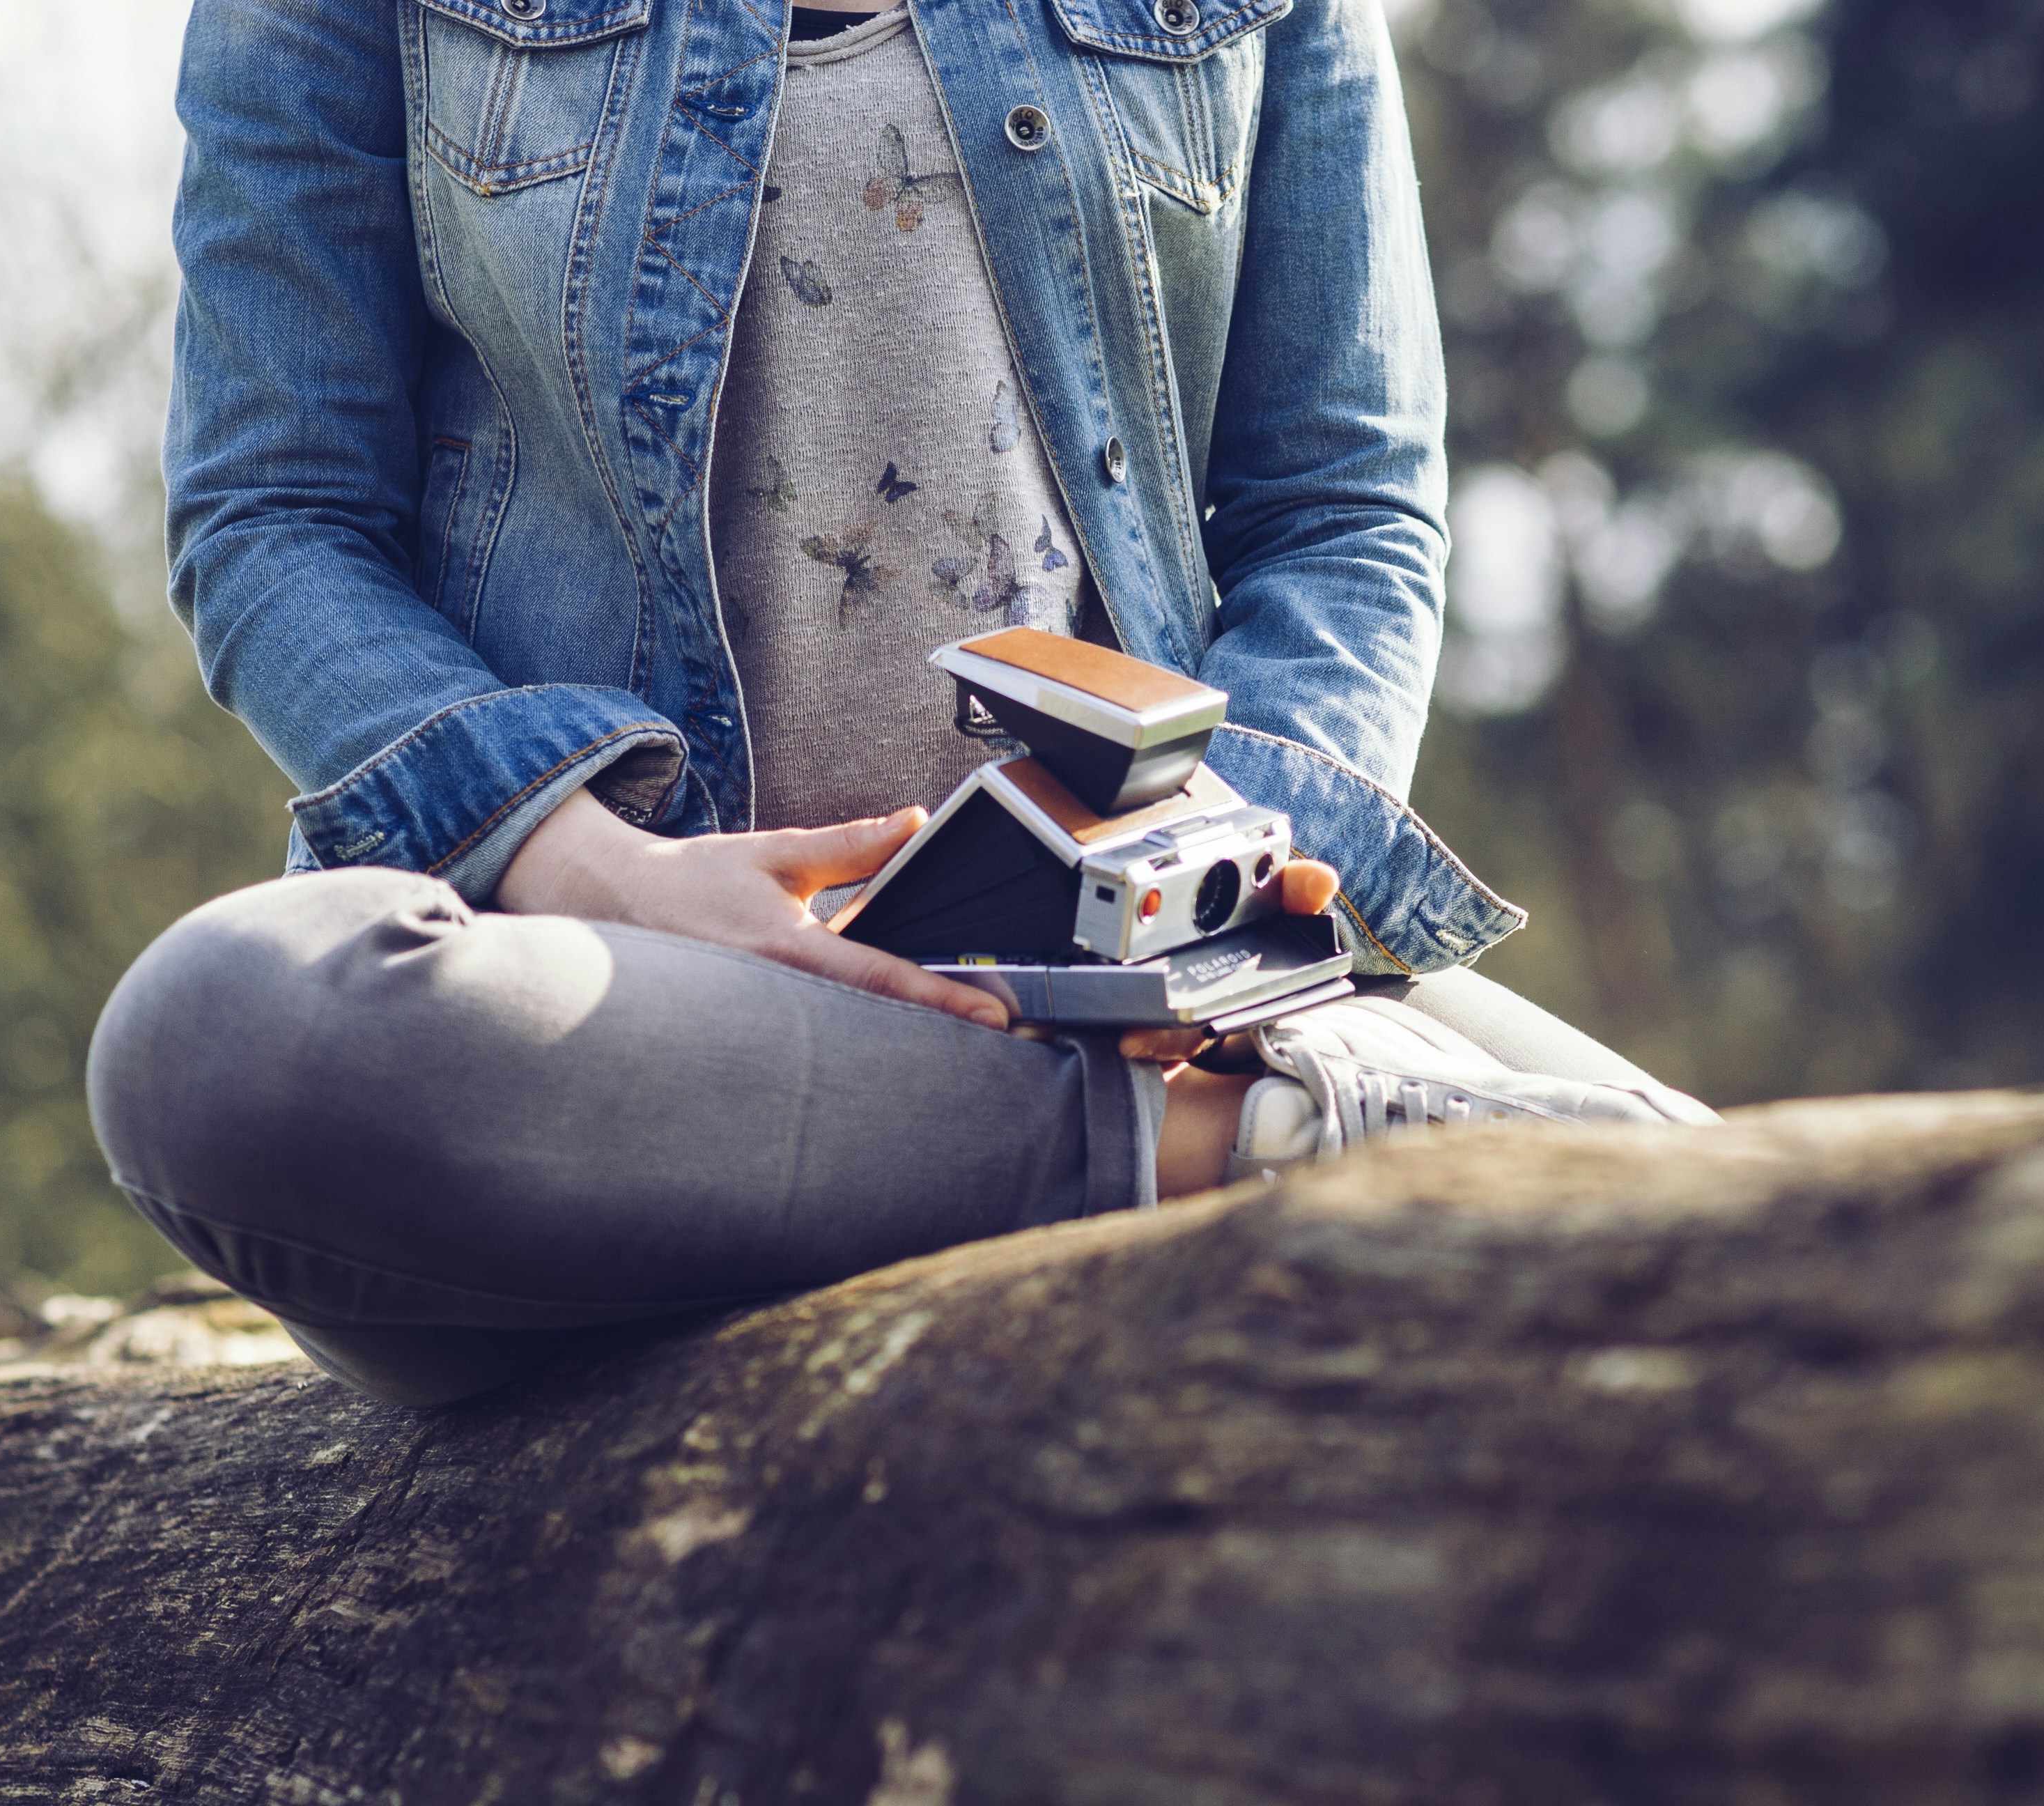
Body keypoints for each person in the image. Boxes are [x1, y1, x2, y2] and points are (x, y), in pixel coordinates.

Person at [87, 0, 1715, 1407]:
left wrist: (1217, 874)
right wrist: (611, 874)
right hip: (611, 1046)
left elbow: (1341, 499)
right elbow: (273, 513)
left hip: (1144, 1003)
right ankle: (1280, 1154)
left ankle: (1266, 1130)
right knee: (222, 1039)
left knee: (1716, 1229)